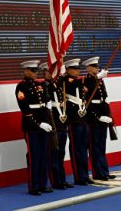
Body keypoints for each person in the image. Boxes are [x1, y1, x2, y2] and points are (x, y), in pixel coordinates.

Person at [15, 59, 53, 196]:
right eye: (32, 71)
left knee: (44, 155)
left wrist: (47, 121)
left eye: (36, 70)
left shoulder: (40, 85)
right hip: (31, 126)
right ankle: (34, 186)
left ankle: (43, 184)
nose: (35, 73)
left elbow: (45, 103)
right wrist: (38, 123)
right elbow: (25, 110)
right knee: (34, 156)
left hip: (44, 125)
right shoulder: (21, 87)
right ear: (26, 71)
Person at [83, 56, 116, 182]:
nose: (97, 68)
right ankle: (97, 173)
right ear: (88, 68)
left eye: (97, 66)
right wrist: (98, 117)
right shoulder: (87, 80)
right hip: (94, 118)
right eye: (94, 66)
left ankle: (104, 171)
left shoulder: (99, 80)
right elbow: (88, 100)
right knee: (95, 146)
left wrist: (108, 115)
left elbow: (104, 98)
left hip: (103, 116)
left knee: (102, 146)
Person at [40, 61, 73, 190]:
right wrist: (61, 77)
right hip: (53, 123)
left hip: (61, 123)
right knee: (54, 154)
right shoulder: (45, 85)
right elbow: (51, 92)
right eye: (51, 71)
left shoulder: (57, 84)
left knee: (61, 153)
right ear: (45, 73)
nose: (54, 74)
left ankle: (62, 179)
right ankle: (56, 181)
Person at [62, 58, 92, 185]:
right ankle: (78, 177)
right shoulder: (66, 81)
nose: (78, 71)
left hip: (82, 118)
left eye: (78, 68)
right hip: (74, 119)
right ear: (68, 70)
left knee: (84, 148)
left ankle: (84, 174)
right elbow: (74, 85)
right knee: (76, 149)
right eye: (75, 69)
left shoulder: (77, 81)